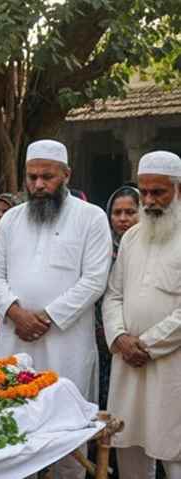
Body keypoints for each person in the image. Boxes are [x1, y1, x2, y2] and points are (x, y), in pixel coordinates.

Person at [0, 139, 112, 479]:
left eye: (47, 177)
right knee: (11, 426)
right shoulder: (10, 220)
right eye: (32, 177)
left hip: (67, 343)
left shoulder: (91, 218)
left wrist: (47, 317)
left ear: (66, 175)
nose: (38, 185)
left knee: (67, 431)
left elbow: (95, 279)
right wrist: (16, 313)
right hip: (14, 339)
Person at [102, 151, 181, 479]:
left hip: (171, 365)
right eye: (144, 192)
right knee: (128, 447)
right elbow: (113, 294)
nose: (148, 201)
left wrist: (147, 344)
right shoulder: (132, 237)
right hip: (128, 364)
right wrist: (120, 337)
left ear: (178, 190)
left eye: (158, 192)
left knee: (174, 448)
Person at [94, 185, 140, 411]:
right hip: (102, 340)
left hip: (138, 339)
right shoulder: (99, 250)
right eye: (116, 213)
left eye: (130, 212)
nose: (123, 219)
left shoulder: (150, 250)